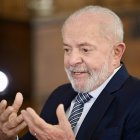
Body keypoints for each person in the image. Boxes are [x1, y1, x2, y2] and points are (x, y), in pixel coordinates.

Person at [0, 5, 140, 140]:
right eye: (67, 49)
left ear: (116, 53)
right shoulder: (60, 95)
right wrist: (9, 137)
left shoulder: (136, 99)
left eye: (85, 49)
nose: (72, 60)